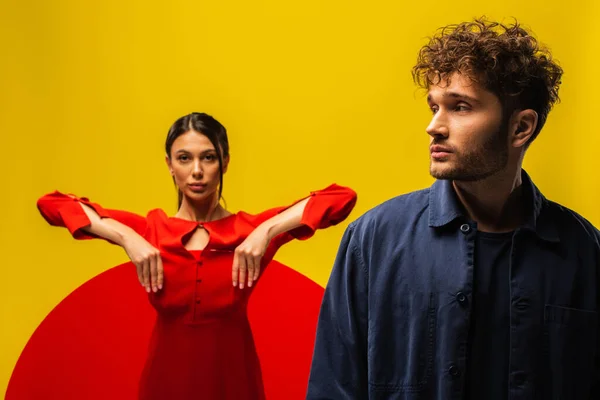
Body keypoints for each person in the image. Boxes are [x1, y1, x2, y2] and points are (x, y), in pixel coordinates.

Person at [306, 18, 599, 399]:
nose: (434, 126)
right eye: (434, 106)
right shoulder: (373, 240)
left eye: (460, 107)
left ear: (520, 128)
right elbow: (333, 387)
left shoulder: (585, 251)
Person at [37, 112, 357, 400]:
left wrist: (267, 230)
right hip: (164, 383)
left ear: (225, 162)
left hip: (234, 382)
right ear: (169, 165)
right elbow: (53, 205)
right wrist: (126, 238)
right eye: (184, 158)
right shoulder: (151, 230)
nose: (197, 171)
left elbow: (341, 198)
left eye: (208, 158)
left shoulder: (247, 231)